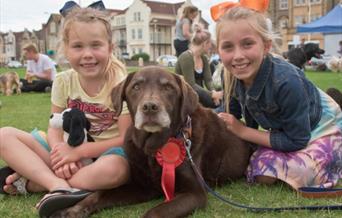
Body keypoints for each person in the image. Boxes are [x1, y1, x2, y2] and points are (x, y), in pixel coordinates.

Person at [0, 7, 131, 216]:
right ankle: (58, 185)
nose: (87, 54)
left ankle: (37, 182)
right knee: (3, 135)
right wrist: (61, 153)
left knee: (118, 170)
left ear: (110, 48)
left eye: (96, 45)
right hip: (66, 152)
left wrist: (78, 153)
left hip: (105, 157)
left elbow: (125, 138)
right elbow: (54, 127)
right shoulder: (62, 81)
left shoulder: (121, 84)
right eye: (78, 46)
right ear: (66, 50)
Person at [215, 5, 342, 190]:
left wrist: (243, 132)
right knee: (262, 173)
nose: (238, 56)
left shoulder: (286, 81)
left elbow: (297, 139)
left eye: (247, 44)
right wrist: (196, 120)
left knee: (299, 173)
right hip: (287, 131)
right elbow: (228, 112)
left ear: (265, 46)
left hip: (322, 129)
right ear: (218, 50)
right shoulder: (230, 76)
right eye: (227, 47)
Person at [175, 27, 223, 108]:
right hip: (184, 95)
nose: (210, 46)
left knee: (222, 101)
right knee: (220, 104)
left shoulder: (203, 58)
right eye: (210, 43)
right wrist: (212, 95)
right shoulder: (186, 57)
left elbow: (208, 80)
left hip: (199, 95)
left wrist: (214, 93)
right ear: (205, 43)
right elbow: (191, 84)